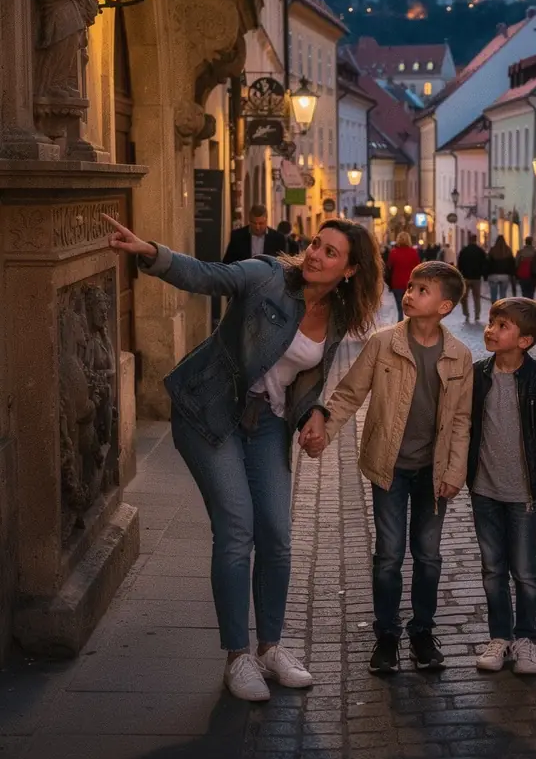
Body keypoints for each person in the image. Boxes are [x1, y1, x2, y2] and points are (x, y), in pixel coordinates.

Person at [103, 213, 382, 701]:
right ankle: (238, 657)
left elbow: (306, 378)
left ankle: (271, 647)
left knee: (276, 534)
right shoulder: (269, 275)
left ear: (351, 271)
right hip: (209, 411)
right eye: (316, 243)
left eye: (331, 252)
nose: (315, 254)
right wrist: (151, 252)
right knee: (237, 528)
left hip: (267, 422)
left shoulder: (336, 313)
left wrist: (313, 413)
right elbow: (212, 275)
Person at [302, 261, 472, 675]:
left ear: (445, 306)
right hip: (389, 467)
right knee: (389, 556)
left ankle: (422, 632)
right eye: (410, 286)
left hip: (433, 474)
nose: (410, 293)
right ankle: (386, 636)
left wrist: (455, 471)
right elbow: (349, 392)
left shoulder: (459, 355)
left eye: (422, 289)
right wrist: (323, 425)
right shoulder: (383, 344)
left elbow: (463, 418)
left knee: (428, 555)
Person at [469, 298, 536, 677]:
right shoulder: (477, 375)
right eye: (493, 322)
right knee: (493, 568)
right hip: (484, 489)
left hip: (525, 493)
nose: (492, 329)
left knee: (525, 571)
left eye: (503, 326)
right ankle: (500, 637)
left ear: (525, 341)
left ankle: (526, 638)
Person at [385, 231, 420, 320]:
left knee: (400, 308)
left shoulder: (393, 252)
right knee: (411, 306)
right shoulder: (413, 252)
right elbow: (418, 267)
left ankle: (400, 324)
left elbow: (389, 267)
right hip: (411, 284)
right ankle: (411, 325)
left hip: (397, 283)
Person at [457, 233, 488, 323]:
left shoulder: (464, 251)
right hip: (476, 278)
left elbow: (460, 263)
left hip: (466, 277)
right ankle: (477, 315)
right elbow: (484, 264)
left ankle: (466, 314)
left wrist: (460, 273)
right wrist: (484, 275)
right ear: (475, 240)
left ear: (469, 240)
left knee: (464, 297)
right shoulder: (480, 251)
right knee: (476, 297)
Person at [485, 235, 515, 304]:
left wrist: (486, 275)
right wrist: (512, 274)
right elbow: (512, 264)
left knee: (493, 294)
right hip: (505, 275)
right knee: (503, 294)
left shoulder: (492, 250)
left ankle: (494, 306)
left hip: (493, 275)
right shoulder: (508, 250)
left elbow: (487, 263)